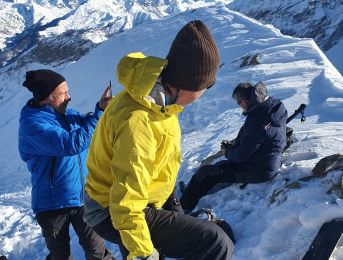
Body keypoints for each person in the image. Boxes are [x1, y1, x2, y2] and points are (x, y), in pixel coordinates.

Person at [83, 20, 234, 260]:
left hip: (134, 201)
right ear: (188, 85)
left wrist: (170, 202)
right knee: (215, 242)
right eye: (207, 85)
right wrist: (143, 254)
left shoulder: (158, 103)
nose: (205, 92)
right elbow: (125, 203)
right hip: (112, 211)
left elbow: (155, 164)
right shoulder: (139, 121)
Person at [18, 69, 113, 260]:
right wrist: (99, 114)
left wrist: (101, 108)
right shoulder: (33, 125)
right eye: (64, 93)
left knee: (97, 251)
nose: (69, 97)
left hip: (82, 198)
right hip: (52, 204)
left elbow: (90, 124)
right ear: (47, 97)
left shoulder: (67, 114)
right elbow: (71, 144)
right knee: (60, 256)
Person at [179, 82, 288, 213]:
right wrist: (236, 147)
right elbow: (258, 140)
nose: (239, 106)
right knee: (219, 168)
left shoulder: (257, 122)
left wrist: (228, 152)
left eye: (239, 103)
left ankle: (184, 206)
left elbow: (241, 156)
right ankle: (194, 191)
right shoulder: (274, 108)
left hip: (258, 171)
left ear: (246, 101)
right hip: (267, 162)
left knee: (206, 173)